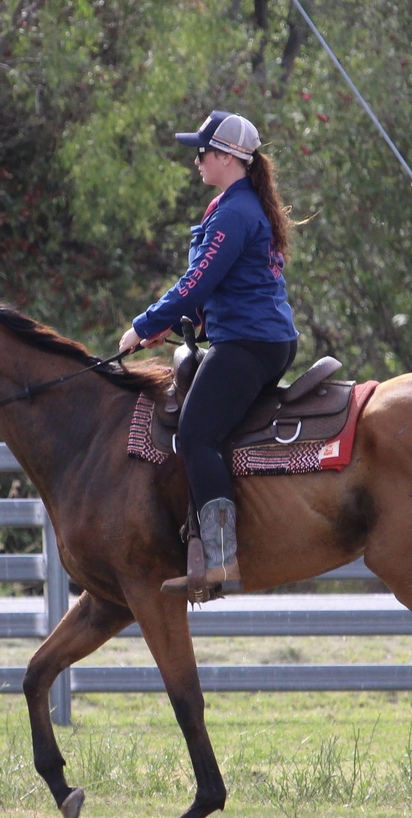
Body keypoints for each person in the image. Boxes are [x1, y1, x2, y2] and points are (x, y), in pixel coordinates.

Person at [118, 110, 298, 597]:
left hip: (249, 345)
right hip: (255, 337)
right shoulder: (234, 207)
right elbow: (222, 288)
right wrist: (184, 324)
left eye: (202, 152)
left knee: (197, 434)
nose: (196, 160)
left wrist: (144, 325)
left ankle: (220, 558)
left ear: (225, 158)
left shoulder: (234, 213)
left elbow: (197, 282)